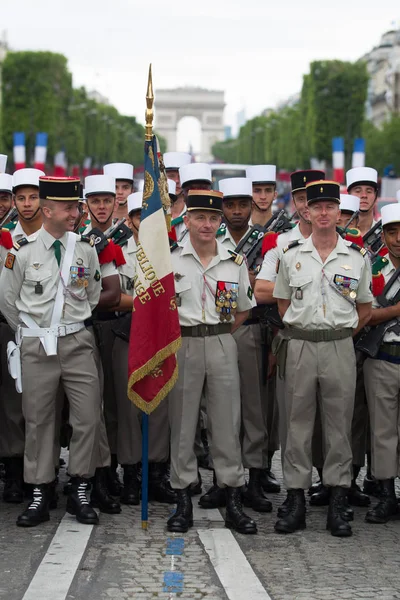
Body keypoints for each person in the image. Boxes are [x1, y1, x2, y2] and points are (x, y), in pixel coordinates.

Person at [0, 176, 103, 527]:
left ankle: (80, 487)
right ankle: (40, 490)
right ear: (47, 210)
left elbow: (91, 295)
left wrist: (67, 326)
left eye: (76, 206)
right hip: (37, 345)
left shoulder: (86, 249)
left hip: (77, 343)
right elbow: (8, 301)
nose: (75, 213)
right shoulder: (22, 253)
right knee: (39, 419)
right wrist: (34, 331)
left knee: (87, 417)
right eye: (68, 207)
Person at [273, 180, 372, 537]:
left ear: (339, 211)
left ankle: (337, 499)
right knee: (297, 426)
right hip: (299, 344)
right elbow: (284, 303)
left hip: (339, 346)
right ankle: (296, 498)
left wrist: (339, 334)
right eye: (317, 207)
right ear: (307, 212)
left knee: (339, 426)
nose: (324, 213)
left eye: (331, 207)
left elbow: (364, 308)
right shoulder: (291, 254)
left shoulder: (357, 257)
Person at [167, 189, 257, 535]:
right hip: (183, 343)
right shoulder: (171, 260)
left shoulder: (234, 261)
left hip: (221, 341)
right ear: (186, 220)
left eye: (213, 218)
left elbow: (244, 309)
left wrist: (216, 332)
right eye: (199, 217)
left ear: (220, 222)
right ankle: (182, 499)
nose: (206, 224)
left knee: (226, 423)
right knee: (183, 422)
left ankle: (232, 495)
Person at [255, 169, 325, 514]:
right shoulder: (280, 243)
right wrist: (308, 291)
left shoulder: (350, 245)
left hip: (335, 341)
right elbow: (261, 289)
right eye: (302, 199)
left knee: (332, 422)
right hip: (292, 338)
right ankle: (295, 490)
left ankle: (333, 486)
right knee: (293, 419)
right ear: (296, 202)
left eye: (318, 201)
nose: (310, 207)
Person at [208, 176, 272, 512]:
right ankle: (222, 480)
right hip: (216, 328)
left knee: (254, 407)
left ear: (251, 206)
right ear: (220, 209)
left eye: (242, 204)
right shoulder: (210, 238)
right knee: (220, 408)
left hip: (249, 328)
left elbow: (267, 287)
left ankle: (256, 479)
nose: (236, 211)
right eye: (229, 205)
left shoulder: (266, 241)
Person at [111, 192, 176, 505]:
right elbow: (112, 296)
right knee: (129, 408)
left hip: (162, 340)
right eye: (140, 216)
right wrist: (145, 304)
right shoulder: (119, 253)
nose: (147, 223)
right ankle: (132, 473)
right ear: (130, 219)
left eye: (154, 217)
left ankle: (156, 471)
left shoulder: (171, 253)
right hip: (128, 335)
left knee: (160, 405)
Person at [0, 168, 45, 505]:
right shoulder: (6, 240)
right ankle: (16, 472)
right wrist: (22, 330)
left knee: (44, 408)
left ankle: (43, 476)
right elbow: (6, 297)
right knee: (14, 407)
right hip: (14, 330)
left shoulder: (55, 237)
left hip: (51, 334)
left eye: (34, 197)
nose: (27, 204)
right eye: (21, 198)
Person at [83, 175, 123, 502]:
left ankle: (106, 471)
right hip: (77, 329)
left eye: (106, 200)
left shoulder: (105, 245)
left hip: (107, 326)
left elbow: (112, 294)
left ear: (114, 203)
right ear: (86, 205)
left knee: (108, 403)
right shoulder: (76, 238)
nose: (101, 206)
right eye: (95, 201)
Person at [363, 203, 400, 523]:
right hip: (384, 358)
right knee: (383, 432)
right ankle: (386, 494)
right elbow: (363, 315)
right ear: (384, 235)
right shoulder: (371, 268)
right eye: (392, 231)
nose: (398, 238)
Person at [164, 152, 191, 241]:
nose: (176, 181)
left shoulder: (194, 212)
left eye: (181, 176)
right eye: (171, 176)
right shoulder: (154, 213)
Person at [346, 167, 378, 237]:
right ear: (349, 195)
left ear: (375, 196)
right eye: (357, 191)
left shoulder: (384, 234)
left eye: (369, 191)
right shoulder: (338, 234)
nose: (364, 195)